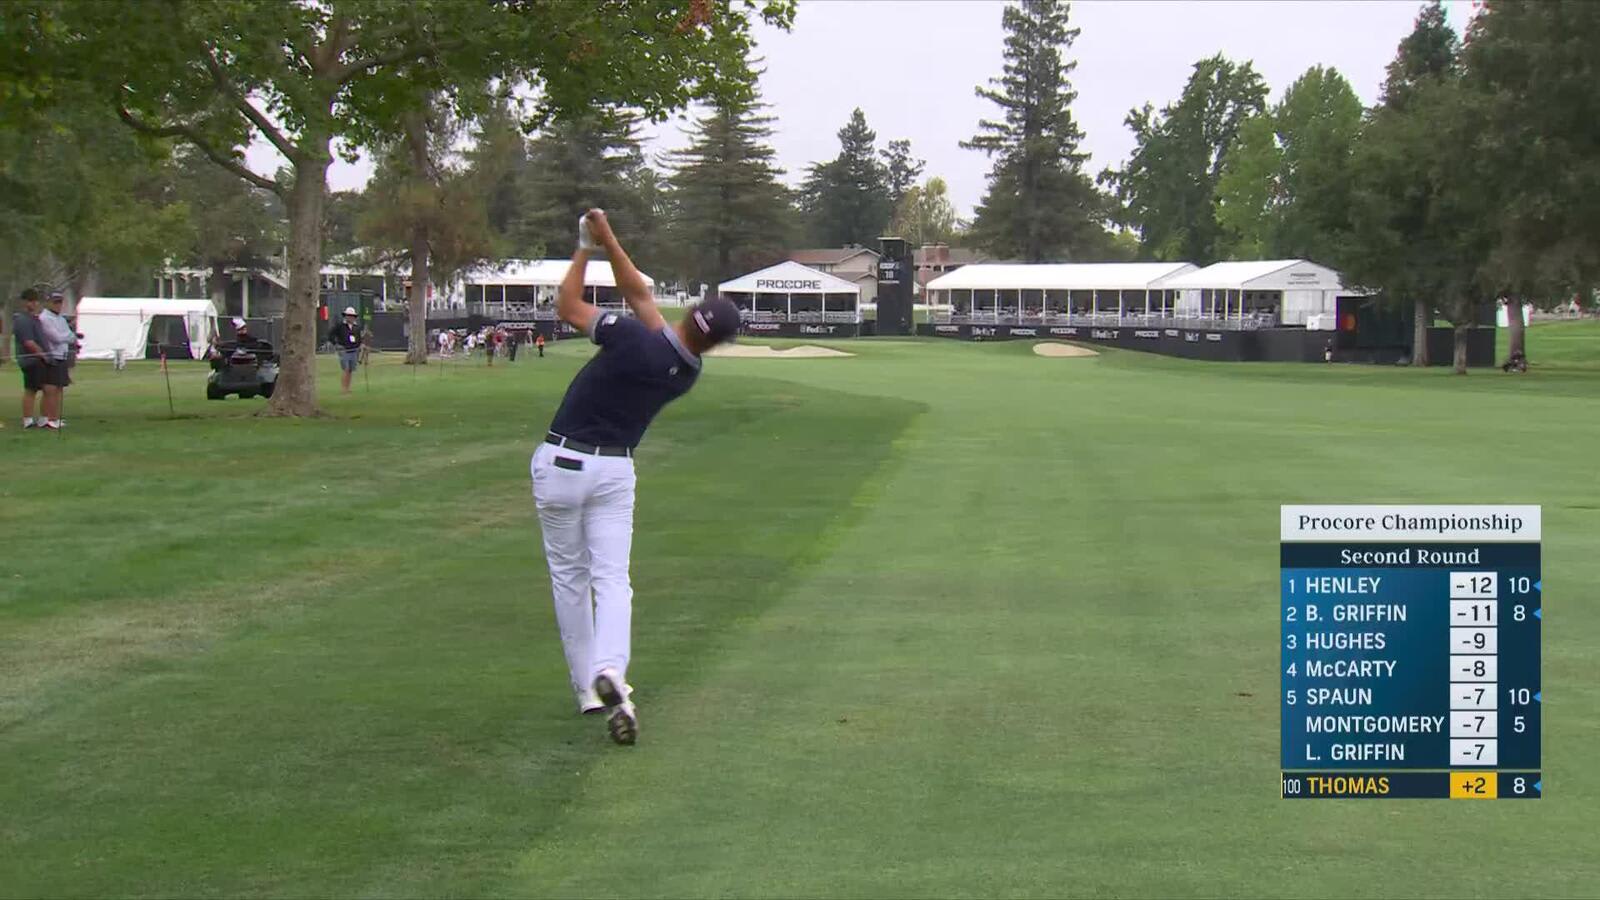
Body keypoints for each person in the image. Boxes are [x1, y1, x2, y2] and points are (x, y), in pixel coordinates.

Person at [532, 208, 740, 745]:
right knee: (612, 579)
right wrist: (609, 241)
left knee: (569, 579)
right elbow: (640, 296)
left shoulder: (626, 336)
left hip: (561, 463)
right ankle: (612, 675)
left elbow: (567, 306)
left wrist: (585, 247)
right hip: (614, 471)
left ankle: (586, 687)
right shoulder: (686, 370)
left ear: (691, 311)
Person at [37, 292, 79, 429]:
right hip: (51, 356)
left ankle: (53, 417)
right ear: (48, 302)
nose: (58, 305)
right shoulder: (44, 318)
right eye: (55, 302)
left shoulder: (60, 319)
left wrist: (67, 336)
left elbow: (70, 335)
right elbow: (56, 337)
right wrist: (67, 336)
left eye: (60, 302)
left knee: (59, 388)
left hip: (62, 355)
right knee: (50, 389)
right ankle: (48, 418)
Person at [12, 288, 47, 429]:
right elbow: (29, 342)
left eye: (35, 300)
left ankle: (43, 419)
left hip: (38, 360)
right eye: (31, 300)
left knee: (44, 388)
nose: (34, 303)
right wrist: (43, 355)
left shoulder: (34, 318)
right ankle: (27, 420)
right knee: (31, 390)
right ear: (24, 302)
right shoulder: (22, 320)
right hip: (30, 360)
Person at [327, 306, 363, 393]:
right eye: (348, 316)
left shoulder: (356, 327)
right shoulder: (340, 326)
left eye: (352, 316)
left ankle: (348, 387)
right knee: (346, 369)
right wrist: (336, 344)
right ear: (345, 316)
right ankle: (344, 389)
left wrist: (360, 346)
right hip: (344, 350)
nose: (350, 317)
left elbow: (359, 338)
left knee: (350, 370)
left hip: (354, 350)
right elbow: (330, 335)